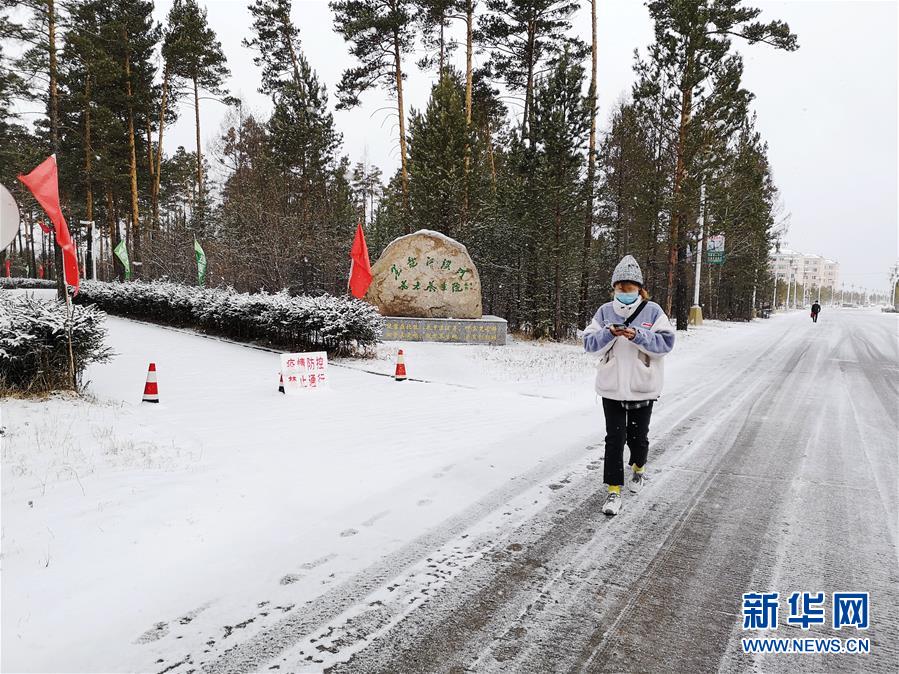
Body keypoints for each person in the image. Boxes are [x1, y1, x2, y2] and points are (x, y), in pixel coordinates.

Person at [582, 255, 675, 516]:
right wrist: (608, 333)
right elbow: (589, 345)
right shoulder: (604, 312)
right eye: (620, 289)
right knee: (614, 439)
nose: (624, 293)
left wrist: (638, 335)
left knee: (638, 438)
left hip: (642, 386)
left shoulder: (653, 311)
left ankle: (639, 467)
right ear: (614, 289)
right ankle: (613, 491)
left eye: (629, 289)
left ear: (639, 289)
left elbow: (666, 344)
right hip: (611, 387)